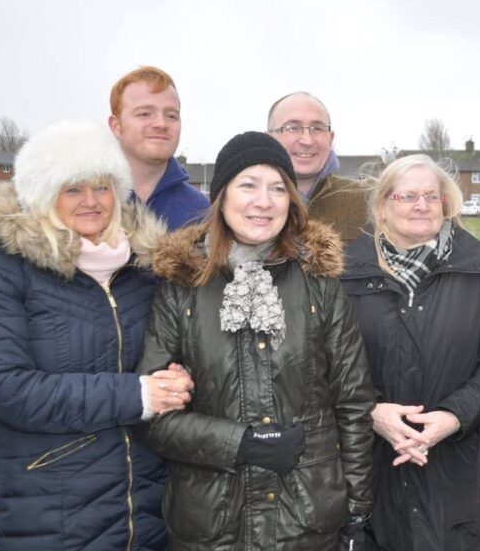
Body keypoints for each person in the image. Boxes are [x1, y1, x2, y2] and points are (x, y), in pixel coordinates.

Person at [0, 121, 195, 549]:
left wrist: (178, 376)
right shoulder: (2, 277)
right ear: (44, 196)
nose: (92, 201)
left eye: (103, 187)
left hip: (149, 500)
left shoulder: (143, 272)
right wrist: (138, 396)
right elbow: (8, 388)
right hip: (55, 502)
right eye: (73, 189)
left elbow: (171, 352)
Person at [135, 131, 376, 550]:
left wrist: (357, 507)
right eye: (248, 185)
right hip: (211, 525)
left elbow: (353, 401)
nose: (263, 201)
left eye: (277, 188)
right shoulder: (182, 284)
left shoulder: (319, 282)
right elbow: (153, 416)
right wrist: (240, 444)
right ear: (222, 196)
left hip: (305, 520)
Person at [341, 154, 480, 551]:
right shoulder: (342, 274)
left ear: (446, 204)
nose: (421, 205)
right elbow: (321, 366)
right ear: (382, 206)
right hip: (369, 468)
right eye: (407, 196)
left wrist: (454, 417)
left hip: (458, 470)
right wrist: (372, 412)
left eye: (431, 196)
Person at [109, 66, 209, 230]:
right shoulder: (88, 203)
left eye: (171, 115)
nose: (161, 124)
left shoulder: (201, 211)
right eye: (145, 114)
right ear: (116, 126)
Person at [267, 91, 369, 242]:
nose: (307, 141)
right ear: (269, 138)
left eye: (317, 128)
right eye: (292, 128)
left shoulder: (367, 201)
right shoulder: (241, 204)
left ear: (330, 138)